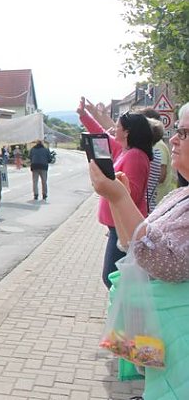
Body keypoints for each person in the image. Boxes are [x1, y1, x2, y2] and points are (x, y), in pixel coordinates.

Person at [88, 101, 189, 398]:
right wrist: (118, 201)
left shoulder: (136, 157)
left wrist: (118, 199)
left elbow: (166, 260)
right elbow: (136, 245)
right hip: (169, 353)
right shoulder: (181, 193)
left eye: (183, 132)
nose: (172, 138)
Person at [78, 96, 154, 288]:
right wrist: (84, 115)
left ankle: (127, 310)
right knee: (114, 276)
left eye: (118, 126)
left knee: (113, 277)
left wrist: (110, 190)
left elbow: (132, 194)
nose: (114, 129)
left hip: (124, 228)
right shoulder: (125, 150)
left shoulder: (135, 156)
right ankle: (124, 308)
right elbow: (100, 135)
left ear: (127, 132)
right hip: (116, 226)